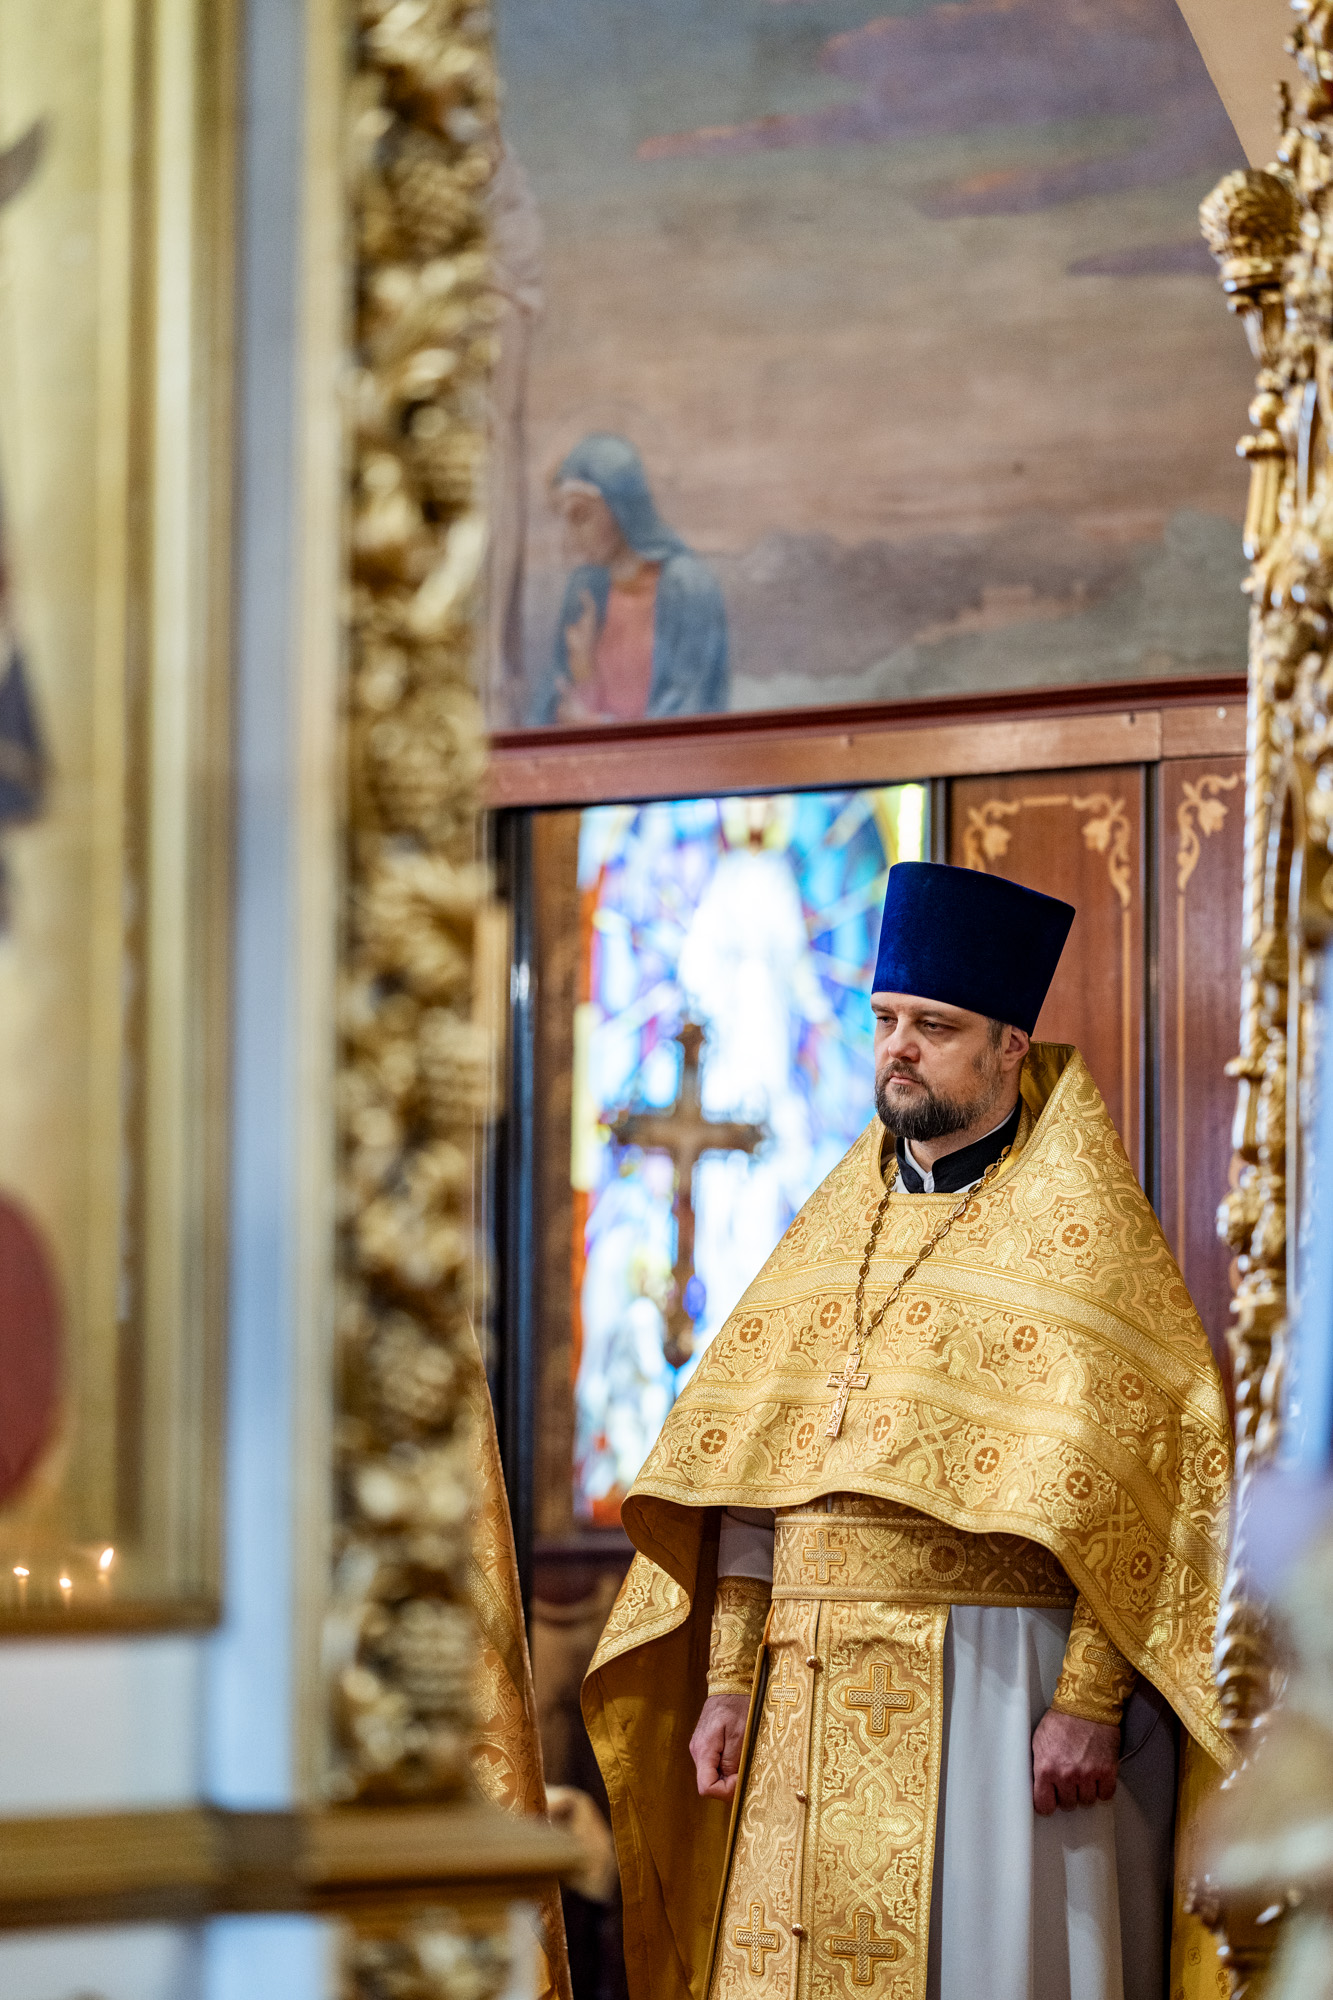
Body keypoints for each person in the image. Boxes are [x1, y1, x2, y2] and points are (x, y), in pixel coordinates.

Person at [582, 861, 1231, 2000]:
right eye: (886, 1021)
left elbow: (1153, 1482)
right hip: (801, 1694)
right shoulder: (830, 1228)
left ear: (1010, 1046)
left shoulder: (1084, 1234)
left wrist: (1088, 1700)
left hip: (999, 1694)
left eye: (934, 1026)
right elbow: (752, 1474)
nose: (899, 1049)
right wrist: (728, 1678)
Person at [527, 433, 729, 725]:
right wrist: (583, 677)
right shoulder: (585, 588)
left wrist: (597, 726)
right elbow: (550, 705)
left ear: (621, 506)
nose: (571, 538)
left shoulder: (689, 587)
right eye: (566, 520)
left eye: (581, 516)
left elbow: (691, 709)